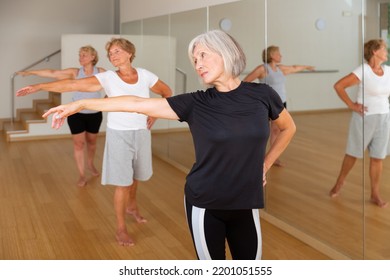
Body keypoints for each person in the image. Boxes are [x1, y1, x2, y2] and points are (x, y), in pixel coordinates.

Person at [36, 30, 296, 260]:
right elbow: (135, 103)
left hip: (246, 201)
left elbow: (288, 128)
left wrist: (265, 164)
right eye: (195, 59)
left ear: (226, 53)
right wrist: (81, 103)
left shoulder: (262, 95)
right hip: (205, 202)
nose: (197, 64)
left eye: (203, 55)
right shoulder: (196, 103)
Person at [16, 38, 173, 246]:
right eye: (110, 54)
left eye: (117, 51)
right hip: (119, 135)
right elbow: (73, 84)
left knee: (136, 177)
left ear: (129, 53)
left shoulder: (145, 75)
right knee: (122, 183)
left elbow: (167, 92)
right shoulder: (107, 77)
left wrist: (156, 114)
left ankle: (132, 206)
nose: (113, 56)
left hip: (142, 133)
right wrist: (39, 86)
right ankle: (120, 228)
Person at [17, 45, 106, 187]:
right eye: (80, 55)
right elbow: (53, 72)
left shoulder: (101, 72)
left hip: (94, 114)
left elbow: (112, 87)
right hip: (75, 113)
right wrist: (30, 72)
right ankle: (82, 175)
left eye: (84, 55)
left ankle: (90, 164)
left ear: (93, 57)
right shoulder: (75, 72)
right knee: (79, 144)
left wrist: (106, 100)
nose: (80, 58)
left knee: (92, 142)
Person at [329, 39, 390, 208]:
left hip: (384, 118)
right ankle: (339, 183)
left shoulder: (388, 71)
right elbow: (339, 86)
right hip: (365, 118)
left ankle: (375, 193)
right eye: (383, 49)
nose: (386, 51)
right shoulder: (363, 70)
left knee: (378, 157)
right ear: (374, 52)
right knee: (353, 154)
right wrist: (352, 105)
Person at [244, 45, 313, 166]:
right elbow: (245, 82)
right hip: (266, 104)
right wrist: (256, 95)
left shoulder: (280, 69)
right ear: (272, 55)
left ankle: (273, 158)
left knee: (276, 130)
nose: (281, 56)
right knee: (262, 131)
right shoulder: (263, 69)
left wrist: (306, 67)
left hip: (280, 103)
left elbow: (294, 67)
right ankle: (253, 156)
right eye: (278, 53)